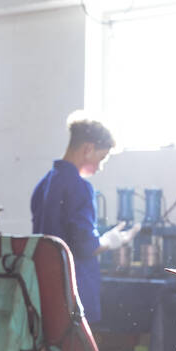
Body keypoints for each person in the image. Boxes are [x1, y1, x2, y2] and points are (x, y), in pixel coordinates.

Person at [30, 112, 135, 326]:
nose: (100, 166)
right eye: (102, 158)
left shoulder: (42, 186)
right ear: (88, 149)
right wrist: (110, 240)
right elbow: (86, 246)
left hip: (44, 289)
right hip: (74, 291)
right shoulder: (80, 187)